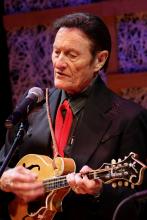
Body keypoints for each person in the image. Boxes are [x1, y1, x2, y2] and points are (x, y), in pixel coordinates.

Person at [0, 12, 147, 220]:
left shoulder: (129, 119)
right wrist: (5, 179)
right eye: (56, 52)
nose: (58, 63)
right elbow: (3, 164)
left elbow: (139, 204)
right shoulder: (34, 107)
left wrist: (98, 192)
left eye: (71, 55)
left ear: (99, 60)